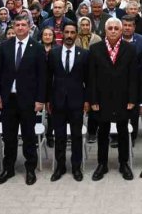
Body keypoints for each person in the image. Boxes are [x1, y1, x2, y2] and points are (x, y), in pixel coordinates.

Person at [0, 15, 46, 186]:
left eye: (24, 25)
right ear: (13, 27)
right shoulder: (4, 47)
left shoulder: (37, 48)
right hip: (8, 100)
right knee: (9, 137)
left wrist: (40, 99)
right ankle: (8, 168)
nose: (21, 28)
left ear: (30, 27)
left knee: (29, 136)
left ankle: (30, 168)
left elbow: (42, 77)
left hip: (29, 100)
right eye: (17, 25)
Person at [88, 17, 138, 181]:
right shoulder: (95, 49)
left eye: (117, 28)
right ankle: (102, 164)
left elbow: (133, 76)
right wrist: (93, 100)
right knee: (103, 132)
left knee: (123, 130)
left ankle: (124, 163)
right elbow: (92, 77)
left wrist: (132, 98)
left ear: (122, 30)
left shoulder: (130, 49)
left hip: (123, 98)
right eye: (111, 28)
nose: (114, 31)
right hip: (102, 99)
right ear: (106, 30)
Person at [46, 21, 90, 182]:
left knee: (76, 136)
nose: (69, 36)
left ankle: (76, 167)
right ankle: (60, 166)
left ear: (76, 34)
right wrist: (48, 100)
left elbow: (89, 80)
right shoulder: (53, 53)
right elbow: (47, 79)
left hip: (77, 102)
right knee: (59, 136)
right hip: (57, 102)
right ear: (62, 34)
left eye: (72, 33)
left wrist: (87, 100)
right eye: (67, 32)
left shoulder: (84, 54)